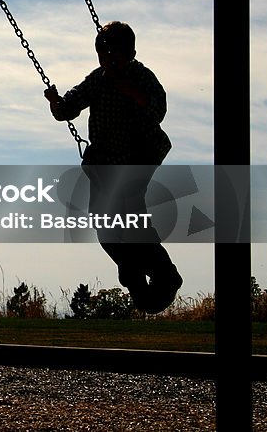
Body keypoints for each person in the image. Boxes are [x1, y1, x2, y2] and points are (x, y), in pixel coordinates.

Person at [43, 21, 183, 314]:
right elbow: (70, 107)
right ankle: (139, 277)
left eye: (115, 57)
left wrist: (129, 89)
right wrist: (57, 102)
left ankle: (161, 273)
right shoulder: (98, 79)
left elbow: (158, 111)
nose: (109, 63)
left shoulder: (142, 77)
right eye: (103, 57)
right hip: (104, 162)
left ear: (131, 53)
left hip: (137, 159)